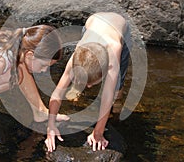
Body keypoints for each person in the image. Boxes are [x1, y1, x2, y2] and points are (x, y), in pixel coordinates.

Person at [45, 12, 130, 152]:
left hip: (119, 29)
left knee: (116, 88)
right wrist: (51, 125)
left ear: (107, 69)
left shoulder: (115, 50)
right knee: (80, 72)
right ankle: (77, 85)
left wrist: (98, 132)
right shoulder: (76, 57)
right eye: (87, 84)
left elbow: (107, 97)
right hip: (91, 25)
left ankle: (119, 100)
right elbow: (56, 94)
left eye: (92, 83)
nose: (89, 87)